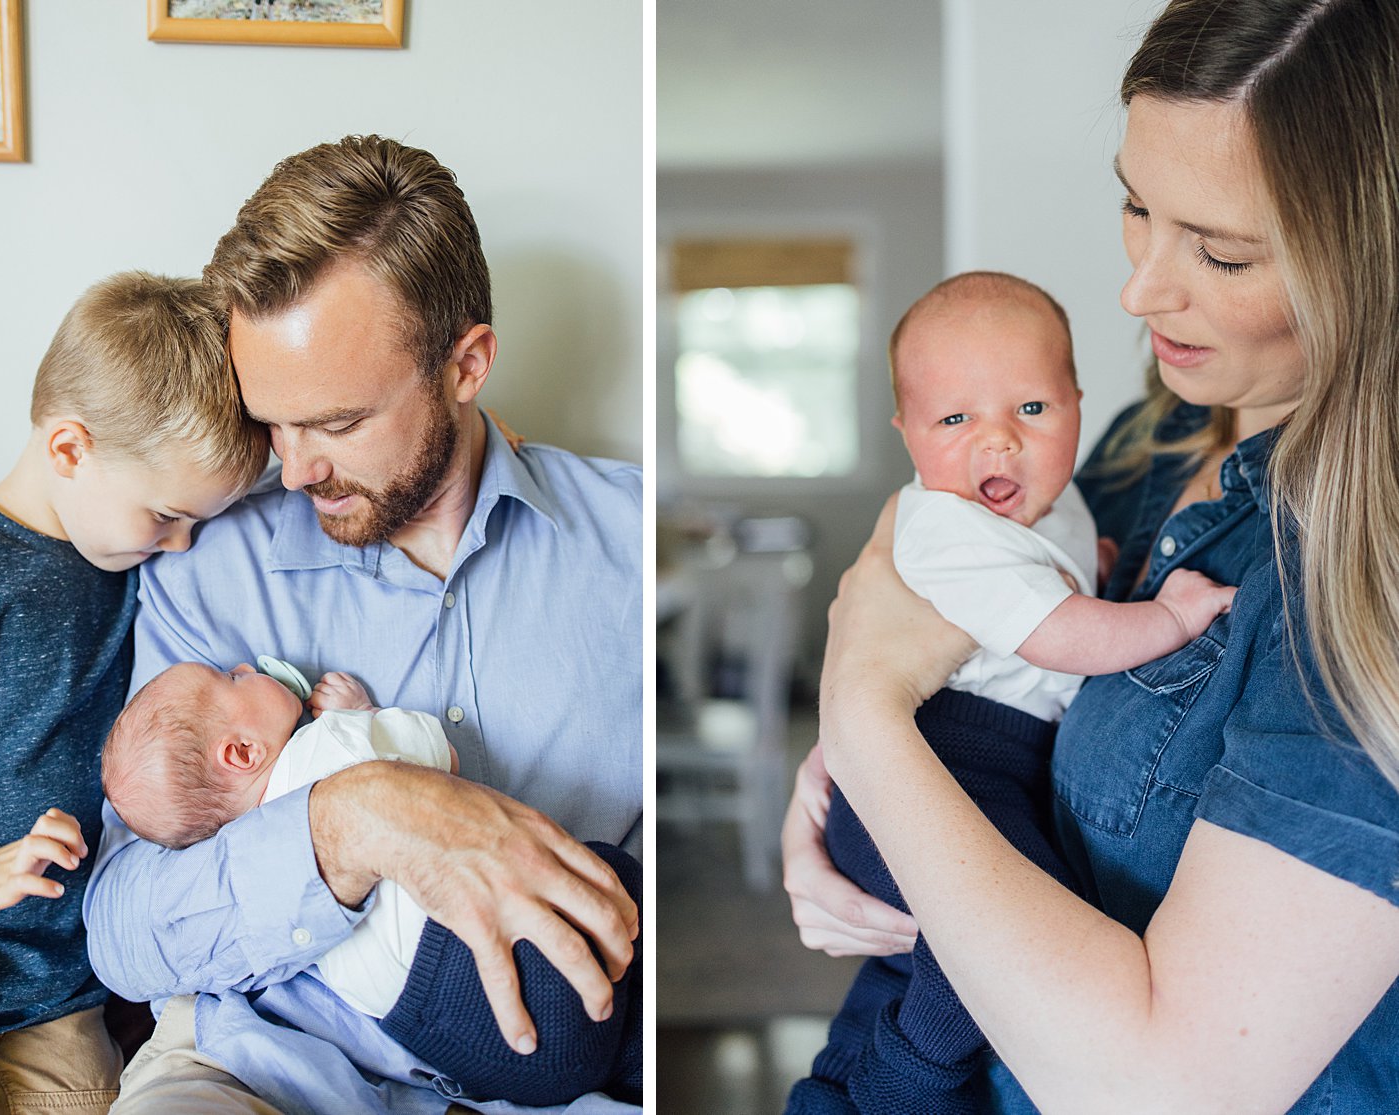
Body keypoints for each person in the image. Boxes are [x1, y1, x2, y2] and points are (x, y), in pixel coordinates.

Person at [785, 2, 1399, 1112]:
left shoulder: (1361, 581)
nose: (1139, 290)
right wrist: (833, 784)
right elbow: (917, 556)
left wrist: (863, 725)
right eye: (1136, 204)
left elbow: (1165, 1087)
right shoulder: (1145, 438)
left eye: (1218, 250)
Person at [83, 135, 643, 1115]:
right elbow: (122, 929)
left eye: (336, 423)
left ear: (465, 365)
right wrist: (348, 819)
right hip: (260, 1066)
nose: (293, 471)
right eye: (274, 423)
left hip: (558, 1077)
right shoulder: (211, 563)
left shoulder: (630, 542)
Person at [790, 270, 1236, 1114]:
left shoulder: (1054, 504)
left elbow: (1050, 578)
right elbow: (1061, 633)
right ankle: (903, 1085)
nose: (997, 443)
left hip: (969, 769)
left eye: (1031, 410)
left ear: (1075, 401)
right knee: (996, 953)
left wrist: (1091, 566)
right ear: (906, 431)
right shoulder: (947, 526)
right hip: (945, 765)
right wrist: (1166, 618)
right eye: (955, 420)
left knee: (916, 963)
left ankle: (833, 1090)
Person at [0, 271, 266, 1115]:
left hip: (51, 1002)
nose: (183, 547)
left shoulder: (140, 573)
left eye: (198, 525)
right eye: (167, 516)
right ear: (69, 449)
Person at [100, 660, 642, 1107]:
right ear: (242, 752)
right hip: (505, 961)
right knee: (605, 877)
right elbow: (443, 757)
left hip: (455, 1039)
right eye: (233, 680)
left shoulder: (242, 850)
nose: (244, 665)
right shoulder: (330, 744)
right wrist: (364, 713)